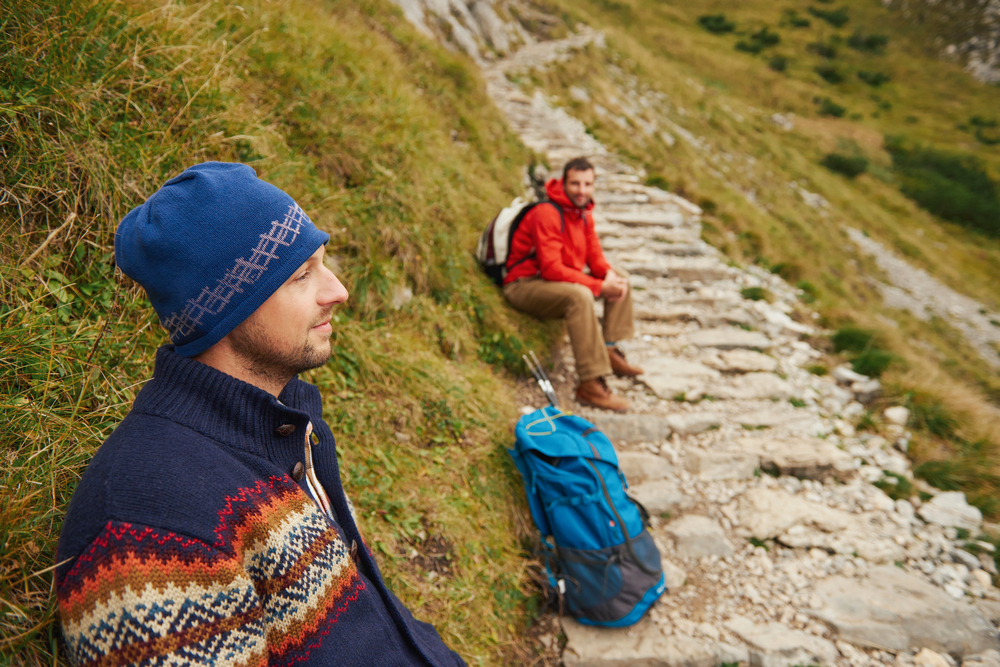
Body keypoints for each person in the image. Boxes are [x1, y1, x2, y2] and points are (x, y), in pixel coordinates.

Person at [55, 162, 465, 667]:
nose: (338, 290)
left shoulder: (278, 428)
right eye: (301, 275)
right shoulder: (146, 529)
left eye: (323, 263)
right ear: (225, 307)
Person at [503, 157, 642, 412]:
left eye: (587, 184)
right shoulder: (547, 213)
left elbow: (595, 258)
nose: (582, 190)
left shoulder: (583, 214)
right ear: (564, 183)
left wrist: (608, 275)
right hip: (523, 285)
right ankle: (590, 383)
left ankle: (609, 349)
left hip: (552, 282)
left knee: (619, 275)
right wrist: (599, 287)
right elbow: (551, 269)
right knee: (580, 296)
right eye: (575, 184)